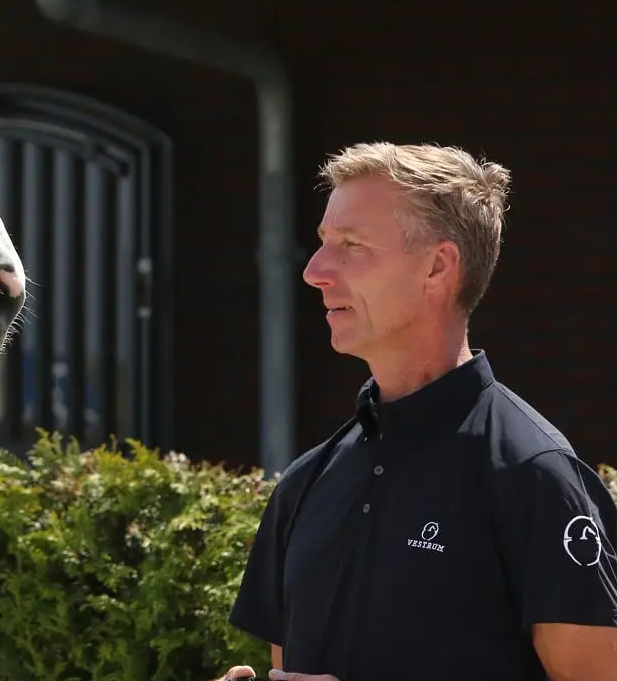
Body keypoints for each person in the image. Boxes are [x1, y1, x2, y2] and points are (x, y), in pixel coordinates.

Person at [218, 142, 617, 680]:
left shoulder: (534, 474)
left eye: (352, 245)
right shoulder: (306, 481)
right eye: (322, 244)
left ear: (437, 266)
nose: (314, 270)